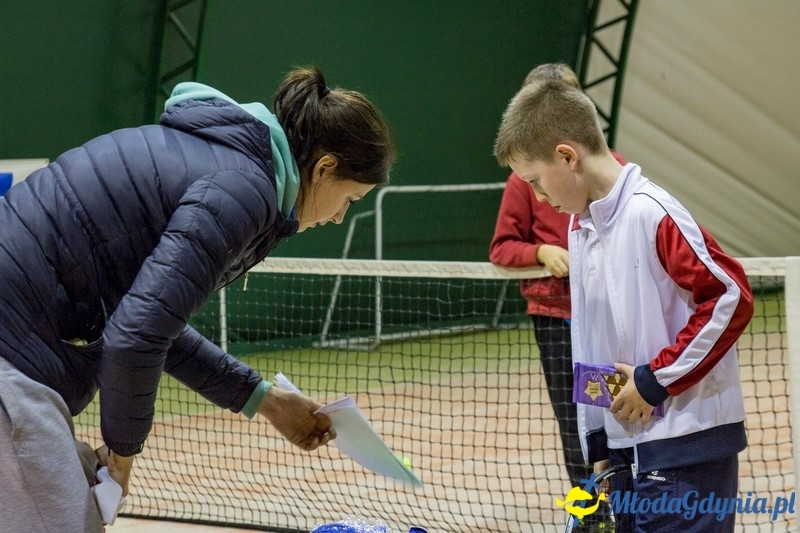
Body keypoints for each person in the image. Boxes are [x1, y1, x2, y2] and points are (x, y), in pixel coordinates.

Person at [0, 66, 395, 532]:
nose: (337, 217)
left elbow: (152, 322)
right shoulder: (242, 189)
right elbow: (138, 336)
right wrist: (122, 461)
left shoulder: (228, 164)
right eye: (349, 199)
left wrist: (264, 400)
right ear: (325, 168)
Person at [493, 78, 753, 531]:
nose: (536, 197)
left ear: (567, 156)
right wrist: (598, 444)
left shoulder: (652, 212)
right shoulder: (580, 227)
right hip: (624, 457)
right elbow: (591, 339)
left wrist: (656, 381)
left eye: (535, 181)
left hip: (686, 451)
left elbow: (730, 296)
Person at [489, 63, 625, 528]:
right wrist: (542, 250)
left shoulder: (616, 174)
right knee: (575, 422)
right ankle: (588, 512)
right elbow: (502, 248)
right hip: (555, 319)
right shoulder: (523, 182)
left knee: (612, 409)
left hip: (607, 317)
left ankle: (624, 502)